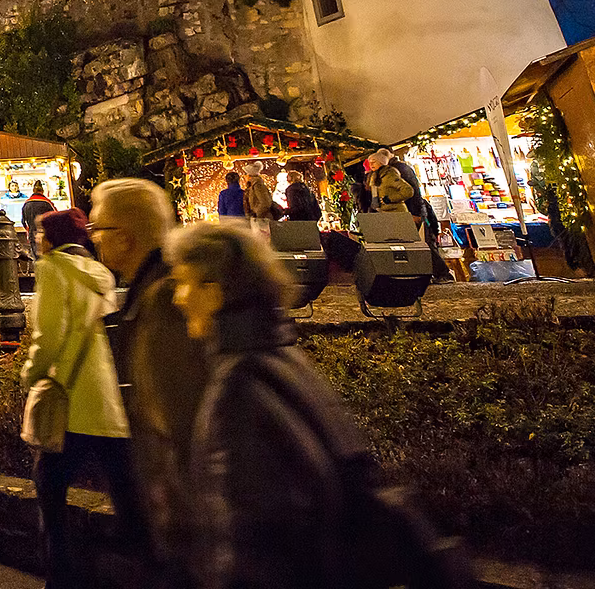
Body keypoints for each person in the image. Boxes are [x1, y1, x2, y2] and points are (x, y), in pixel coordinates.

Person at [166, 222, 471, 589]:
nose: (177, 298)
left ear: (214, 292)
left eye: (184, 283)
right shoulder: (282, 354)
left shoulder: (239, 383)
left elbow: (257, 534)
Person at [89, 178, 208, 577]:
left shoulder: (163, 302)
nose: (94, 239)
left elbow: (180, 426)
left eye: (98, 229)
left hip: (184, 532)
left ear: (124, 238)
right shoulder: (155, 290)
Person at [22, 207, 135, 589]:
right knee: (127, 500)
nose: (37, 241)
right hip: (103, 402)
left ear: (50, 239)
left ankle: (62, 578)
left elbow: (50, 334)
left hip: (68, 403)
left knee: (50, 495)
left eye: (40, 235)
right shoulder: (100, 273)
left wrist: (30, 373)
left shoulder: (52, 268)